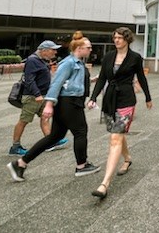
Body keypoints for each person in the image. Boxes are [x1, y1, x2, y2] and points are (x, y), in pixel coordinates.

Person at [7, 32, 100, 182]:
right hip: (69, 102)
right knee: (80, 131)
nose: (91, 50)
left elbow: (74, 83)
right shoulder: (68, 63)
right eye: (88, 47)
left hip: (70, 101)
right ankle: (82, 166)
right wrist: (49, 104)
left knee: (55, 136)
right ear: (79, 48)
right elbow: (56, 83)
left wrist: (93, 80)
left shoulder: (78, 63)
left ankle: (20, 163)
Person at [87, 27, 153, 199]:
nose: (116, 40)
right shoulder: (108, 56)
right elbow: (102, 78)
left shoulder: (135, 58)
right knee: (118, 134)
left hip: (126, 100)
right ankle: (127, 158)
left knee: (115, 137)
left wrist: (148, 97)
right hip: (110, 100)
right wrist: (93, 97)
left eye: (120, 38)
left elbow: (141, 77)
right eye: (114, 37)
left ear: (127, 39)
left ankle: (104, 184)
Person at [8, 40, 69, 156]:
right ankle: (15, 147)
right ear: (44, 50)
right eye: (53, 50)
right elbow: (29, 80)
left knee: (45, 118)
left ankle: (51, 141)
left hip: (42, 96)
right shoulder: (32, 60)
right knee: (24, 121)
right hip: (33, 97)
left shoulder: (41, 61)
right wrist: (37, 95)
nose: (55, 52)